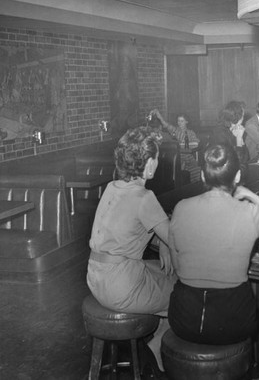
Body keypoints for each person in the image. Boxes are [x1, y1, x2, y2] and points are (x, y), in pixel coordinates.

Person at [167, 143, 259, 345]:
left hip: (183, 319)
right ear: (237, 177)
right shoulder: (249, 212)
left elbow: (177, 265)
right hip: (233, 322)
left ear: (203, 176)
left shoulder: (181, 208)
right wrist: (250, 195)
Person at [86, 126, 175, 372]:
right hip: (121, 285)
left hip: (96, 278)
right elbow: (178, 241)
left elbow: (130, 231)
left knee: (161, 270)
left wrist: (163, 242)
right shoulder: (144, 197)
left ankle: (157, 342)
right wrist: (168, 241)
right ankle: (160, 342)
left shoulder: (113, 187)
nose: (158, 161)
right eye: (156, 157)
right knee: (183, 288)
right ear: (148, 165)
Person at [150, 109, 201, 182]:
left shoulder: (190, 132)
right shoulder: (175, 130)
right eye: (178, 121)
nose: (179, 123)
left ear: (187, 122)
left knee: (196, 170)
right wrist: (159, 115)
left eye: (182, 121)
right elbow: (166, 125)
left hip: (188, 156)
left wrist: (180, 145)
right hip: (177, 156)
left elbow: (196, 144)